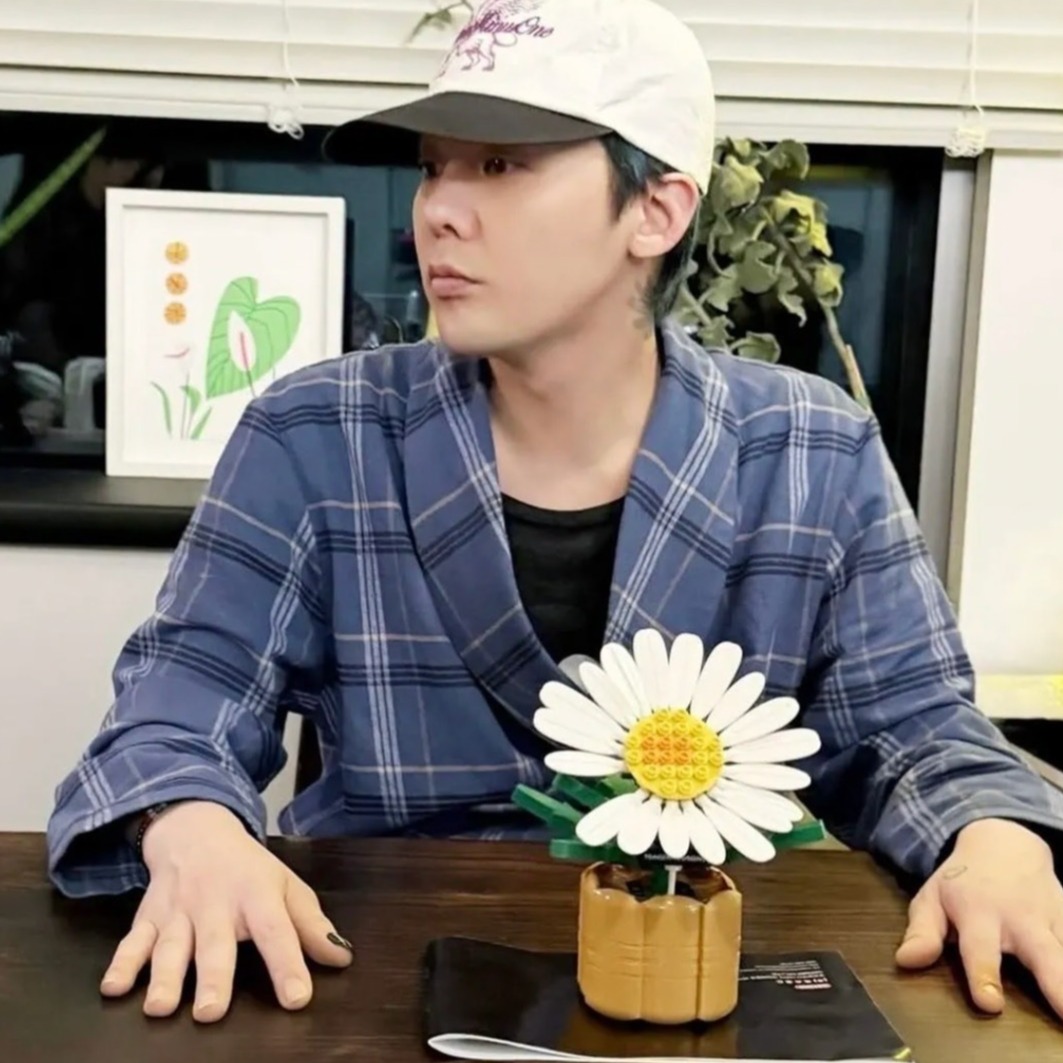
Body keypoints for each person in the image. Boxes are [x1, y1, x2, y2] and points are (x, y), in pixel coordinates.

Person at [46, 0, 1063, 1029]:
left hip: (688, 975)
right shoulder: (315, 431)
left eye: (500, 165)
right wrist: (194, 830)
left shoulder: (809, 447)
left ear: (655, 211)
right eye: (435, 166)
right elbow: (176, 707)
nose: (437, 210)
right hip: (374, 978)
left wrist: (994, 842)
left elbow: (914, 728)